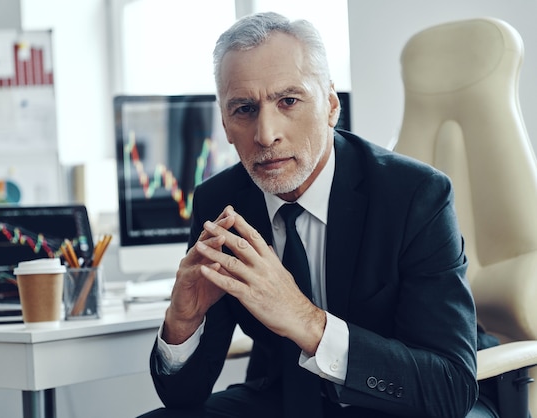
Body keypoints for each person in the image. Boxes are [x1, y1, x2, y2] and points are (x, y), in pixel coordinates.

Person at [138, 11, 499, 418]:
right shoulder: (220, 202)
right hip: (289, 399)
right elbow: (184, 398)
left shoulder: (414, 195)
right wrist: (183, 322)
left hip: (408, 403)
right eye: (244, 109)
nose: (266, 134)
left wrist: (306, 321)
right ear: (224, 123)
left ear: (330, 105)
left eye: (288, 101)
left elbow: (447, 388)